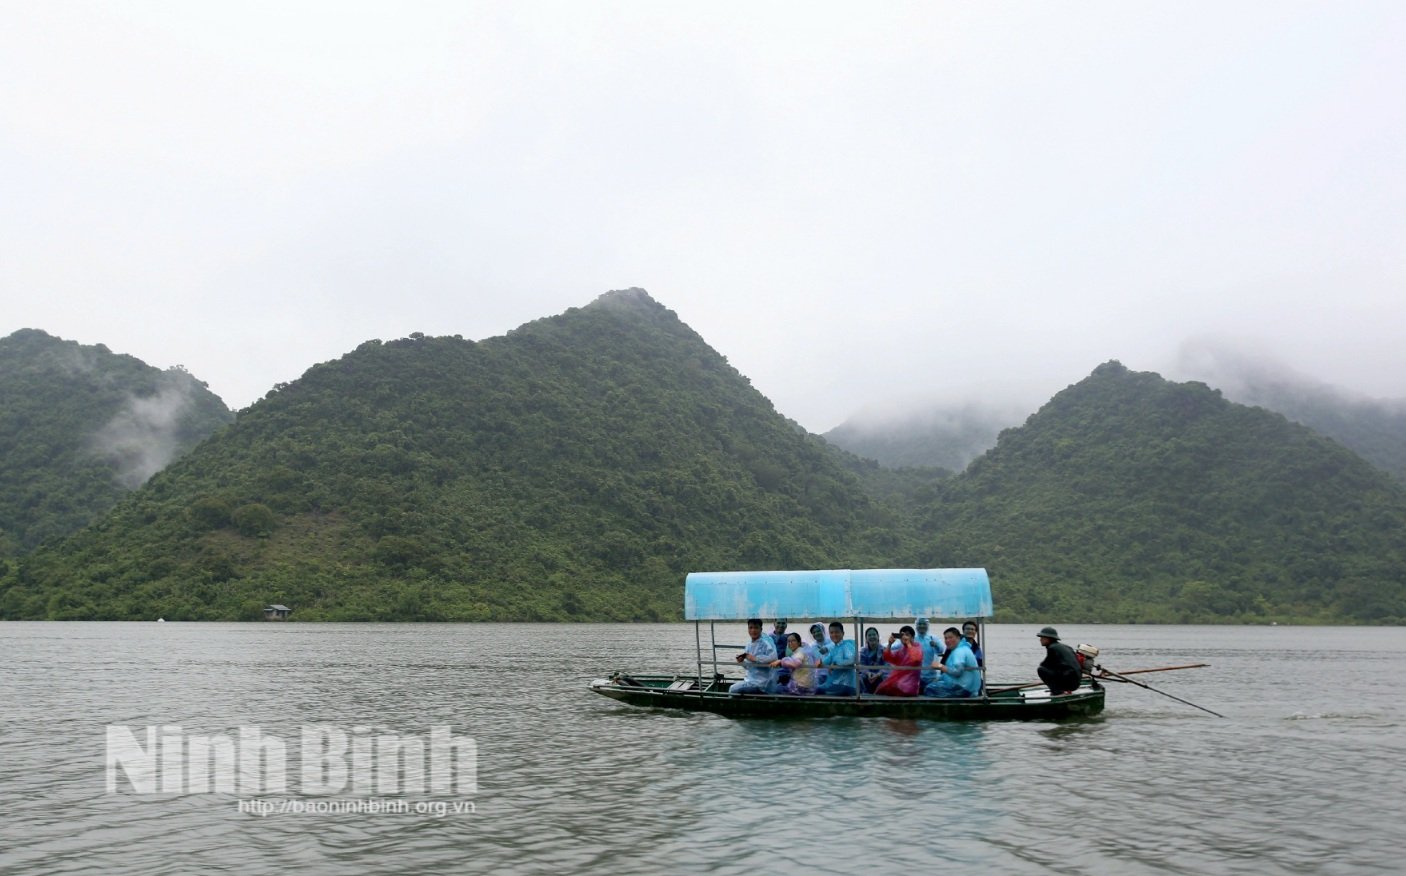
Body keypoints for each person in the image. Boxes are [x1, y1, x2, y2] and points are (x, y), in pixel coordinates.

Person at [924, 627, 981, 698]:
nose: (947, 640)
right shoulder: (962, 648)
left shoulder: (959, 651)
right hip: (969, 688)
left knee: (928, 689)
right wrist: (939, 678)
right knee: (934, 683)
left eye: (951, 638)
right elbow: (951, 671)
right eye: (946, 638)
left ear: (958, 638)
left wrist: (939, 666)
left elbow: (957, 672)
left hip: (964, 689)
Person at [730, 618, 778, 694]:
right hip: (751, 680)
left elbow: (774, 658)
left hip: (763, 683)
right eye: (751, 628)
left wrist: (755, 658)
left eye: (756, 628)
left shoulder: (766, 642)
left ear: (761, 629)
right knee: (735, 686)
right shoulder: (749, 645)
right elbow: (749, 667)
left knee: (732, 689)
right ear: (748, 629)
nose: (753, 630)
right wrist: (741, 662)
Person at [876, 625, 923, 696]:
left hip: (910, 683)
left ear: (912, 637)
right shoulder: (902, 650)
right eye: (902, 635)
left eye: (907, 635)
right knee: (881, 687)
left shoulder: (917, 647)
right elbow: (888, 657)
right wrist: (890, 644)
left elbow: (916, 658)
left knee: (895, 686)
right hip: (899, 680)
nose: (904, 637)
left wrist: (908, 643)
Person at [1036, 626, 1082, 695]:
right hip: (1076, 682)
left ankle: (1057, 692)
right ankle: (1060, 689)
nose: (1040, 640)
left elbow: (1044, 665)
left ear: (1049, 639)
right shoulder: (1067, 647)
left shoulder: (1052, 648)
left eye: (1042, 637)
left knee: (1041, 670)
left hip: (1069, 683)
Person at [816, 621, 857, 697]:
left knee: (815, 690)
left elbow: (851, 660)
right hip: (836, 684)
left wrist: (835, 663)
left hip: (845, 685)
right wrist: (819, 663)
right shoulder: (834, 648)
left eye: (837, 632)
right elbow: (825, 661)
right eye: (831, 633)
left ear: (843, 633)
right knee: (814, 687)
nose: (834, 635)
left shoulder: (848, 645)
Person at [857, 626, 888, 693]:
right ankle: (863, 696)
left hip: (880, 675)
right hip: (868, 675)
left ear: (878, 637)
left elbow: (887, 665)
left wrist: (878, 674)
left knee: (887, 677)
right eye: (869, 635)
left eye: (874, 634)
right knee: (858, 678)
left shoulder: (884, 650)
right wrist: (868, 673)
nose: (872, 637)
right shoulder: (863, 651)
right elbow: (862, 666)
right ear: (866, 639)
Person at [770, 620, 791, 686]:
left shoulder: (789, 638)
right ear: (774, 624)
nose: (781, 625)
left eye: (783, 623)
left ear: (786, 625)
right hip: (771, 668)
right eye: (778, 623)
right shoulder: (768, 638)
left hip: (785, 669)